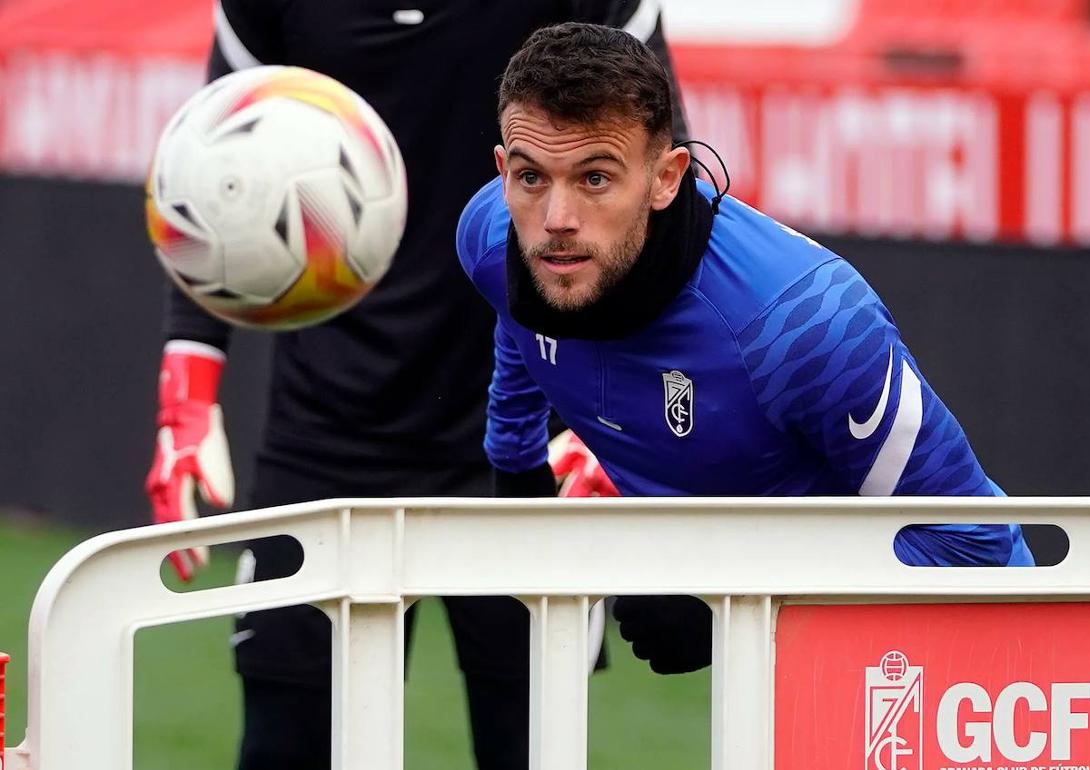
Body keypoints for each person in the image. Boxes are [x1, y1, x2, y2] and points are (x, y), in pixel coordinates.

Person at [143, 3, 686, 768]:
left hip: (530, 442)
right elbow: (210, 178)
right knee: (283, 747)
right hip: (325, 434)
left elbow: (665, 188)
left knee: (529, 746)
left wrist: (627, 414)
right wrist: (187, 390)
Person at [458, 21, 1035, 675]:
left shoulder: (807, 324)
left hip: (973, 662)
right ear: (504, 172)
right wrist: (518, 475)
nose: (556, 220)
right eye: (532, 178)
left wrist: (735, 599)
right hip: (783, 667)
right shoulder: (492, 235)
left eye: (595, 179)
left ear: (667, 177)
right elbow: (519, 323)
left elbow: (971, 549)